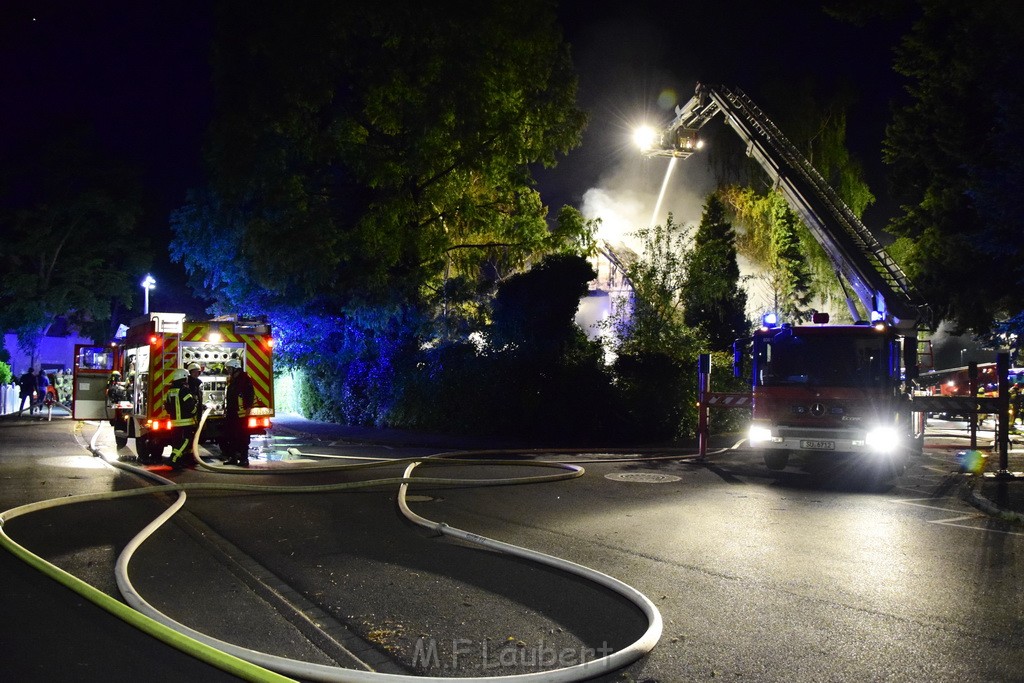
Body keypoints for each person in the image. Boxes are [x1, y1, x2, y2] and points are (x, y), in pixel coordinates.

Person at [221, 358, 254, 467]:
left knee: (243, 436)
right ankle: (233, 458)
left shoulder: (244, 379)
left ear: (235, 368)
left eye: (229, 368)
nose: (228, 371)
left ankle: (244, 459)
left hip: (241, 414)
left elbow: (250, 394)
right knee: (230, 435)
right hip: (232, 413)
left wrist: (248, 407)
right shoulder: (233, 380)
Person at [166, 368, 199, 469]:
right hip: (185, 422)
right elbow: (190, 406)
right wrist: (195, 413)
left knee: (177, 442)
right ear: (184, 378)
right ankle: (174, 458)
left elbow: (167, 407)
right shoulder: (184, 391)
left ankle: (179, 460)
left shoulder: (170, 391)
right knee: (186, 440)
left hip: (174, 422)